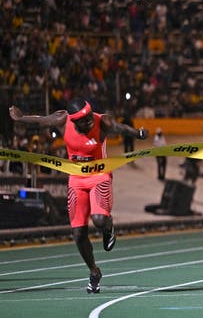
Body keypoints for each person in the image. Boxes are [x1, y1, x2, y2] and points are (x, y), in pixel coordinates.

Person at [9, 99, 148, 293]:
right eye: (84, 119)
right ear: (74, 121)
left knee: (99, 220)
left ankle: (108, 227)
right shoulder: (63, 120)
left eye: (90, 115)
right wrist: (20, 118)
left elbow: (122, 128)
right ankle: (94, 272)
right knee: (78, 234)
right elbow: (42, 121)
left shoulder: (103, 122)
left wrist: (138, 133)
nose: (90, 120)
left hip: (100, 176)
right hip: (76, 180)